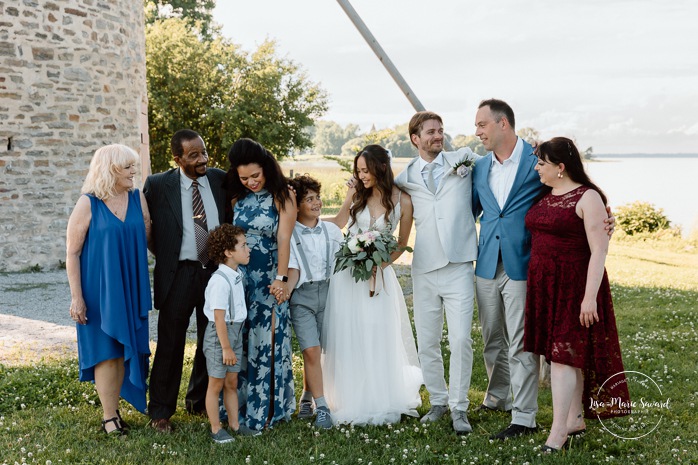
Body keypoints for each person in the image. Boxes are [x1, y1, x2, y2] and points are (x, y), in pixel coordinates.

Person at [471, 99, 616, 440]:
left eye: (482, 124)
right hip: (488, 262)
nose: (477, 131)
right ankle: (497, 397)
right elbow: (471, 209)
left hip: (525, 264)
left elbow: (576, 192)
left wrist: (607, 218)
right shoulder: (477, 167)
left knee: (522, 343)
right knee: (492, 338)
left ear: (503, 123)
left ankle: (524, 416)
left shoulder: (537, 159)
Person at [523, 137, 630, 452]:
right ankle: (575, 418)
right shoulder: (546, 192)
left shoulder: (588, 197)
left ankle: (558, 434)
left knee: (562, 357)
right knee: (563, 354)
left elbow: (600, 250)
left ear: (560, 167)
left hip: (575, 287)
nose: (536, 168)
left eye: (541, 163)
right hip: (545, 285)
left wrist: (589, 297)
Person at [322, 144, 423, 425]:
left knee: (378, 333)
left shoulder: (403, 200)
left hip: (379, 276)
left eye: (365, 170)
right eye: (358, 171)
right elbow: (340, 221)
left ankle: (381, 394)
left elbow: (402, 243)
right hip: (348, 278)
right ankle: (352, 395)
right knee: (351, 335)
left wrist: (380, 264)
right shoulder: (356, 193)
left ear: (380, 167)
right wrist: (307, 223)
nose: (361, 175)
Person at [394, 112, 479, 434]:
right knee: (427, 341)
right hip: (425, 268)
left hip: (459, 265)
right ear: (415, 138)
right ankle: (439, 402)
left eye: (440, 131)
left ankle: (460, 408)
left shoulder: (465, 160)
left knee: (460, 339)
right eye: (430, 132)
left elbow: (500, 166)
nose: (437, 136)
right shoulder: (405, 178)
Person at [144, 129, 228, 432]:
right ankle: (161, 412)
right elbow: (149, 229)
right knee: (170, 344)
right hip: (178, 274)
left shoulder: (219, 179)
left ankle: (198, 401)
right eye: (194, 155)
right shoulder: (156, 185)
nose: (203, 159)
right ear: (177, 158)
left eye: (203, 152)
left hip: (215, 273)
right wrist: (168, 255)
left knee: (212, 340)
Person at [66, 144, 152, 435]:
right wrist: (77, 297)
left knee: (123, 348)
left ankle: (115, 411)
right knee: (106, 352)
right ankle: (108, 417)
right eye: (128, 167)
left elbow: (147, 235)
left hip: (130, 284)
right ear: (110, 168)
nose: (133, 172)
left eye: (133, 166)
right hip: (98, 289)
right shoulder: (88, 203)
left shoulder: (138, 198)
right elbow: (72, 253)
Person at [226, 138, 296, 432]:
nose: (251, 182)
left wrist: (281, 280)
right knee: (242, 342)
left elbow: (284, 240)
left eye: (256, 175)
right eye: (245, 178)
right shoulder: (237, 198)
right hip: (242, 282)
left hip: (269, 281)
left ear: (266, 168)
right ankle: (239, 404)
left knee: (267, 343)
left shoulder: (283, 196)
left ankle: (267, 409)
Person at [286, 175, 344, 429]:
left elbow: (341, 264)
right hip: (302, 297)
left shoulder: (331, 230)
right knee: (310, 349)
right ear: (296, 206)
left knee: (321, 351)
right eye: (309, 199)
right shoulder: (288, 233)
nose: (317, 203)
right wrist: (286, 290)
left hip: (330, 293)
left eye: (317, 197)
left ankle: (307, 396)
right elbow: (294, 269)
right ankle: (322, 407)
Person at [202, 224, 251, 444]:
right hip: (220, 338)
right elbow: (219, 318)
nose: (248, 249)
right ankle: (215, 428)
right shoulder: (219, 281)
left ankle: (235, 424)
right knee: (216, 384)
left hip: (235, 333)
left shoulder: (236, 274)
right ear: (228, 252)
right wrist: (226, 348)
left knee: (232, 382)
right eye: (244, 245)